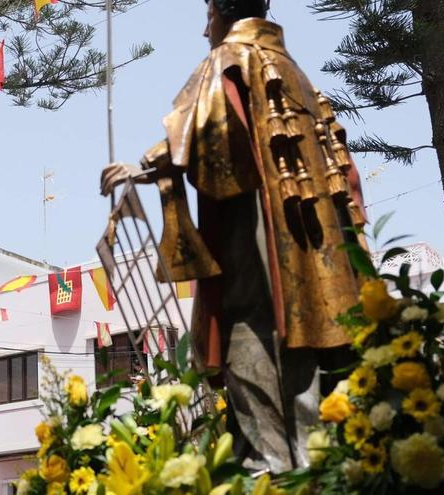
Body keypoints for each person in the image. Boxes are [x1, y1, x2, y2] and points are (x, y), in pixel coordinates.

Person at [101, 0, 366, 473]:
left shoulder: (230, 57)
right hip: (311, 241)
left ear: (224, 13)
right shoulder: (296, 72)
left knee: (249, 326)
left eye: (208, 18)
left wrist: (141, 167)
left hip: (258, 226)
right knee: (302, 336)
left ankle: (268, 464)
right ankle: (313, 460)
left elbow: (197, 130)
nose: (205, 32)